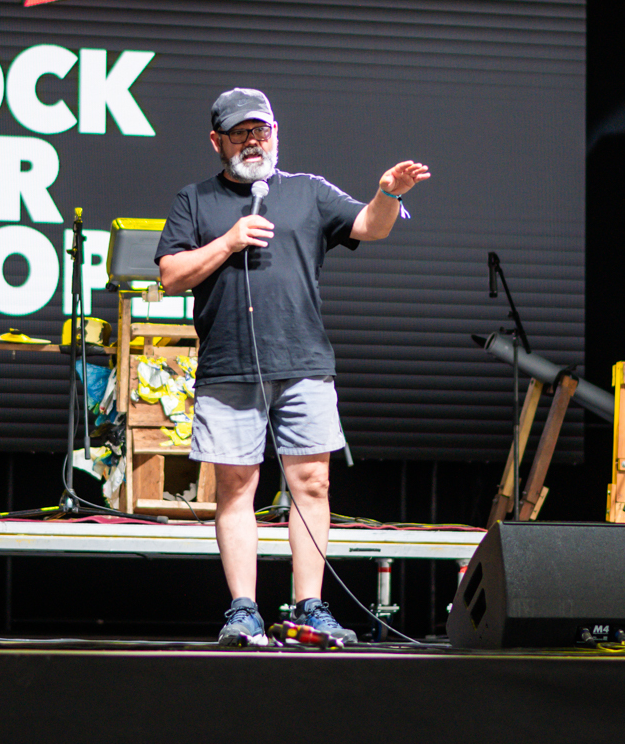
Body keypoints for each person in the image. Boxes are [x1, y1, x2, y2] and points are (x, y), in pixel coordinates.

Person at [154, 88, 430, 647]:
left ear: (276, 133)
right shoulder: (195, 199)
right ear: (217, 141)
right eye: (240, 133)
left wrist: (386, 193)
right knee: (236, 486)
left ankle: (310, 606)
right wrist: (228, 242)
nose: (253, 142)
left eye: (262, 131)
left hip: (303, 361)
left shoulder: (308, 191)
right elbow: (171, 275)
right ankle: (243, 611)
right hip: (229, 365)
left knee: (314, 482)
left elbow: (371, 226)